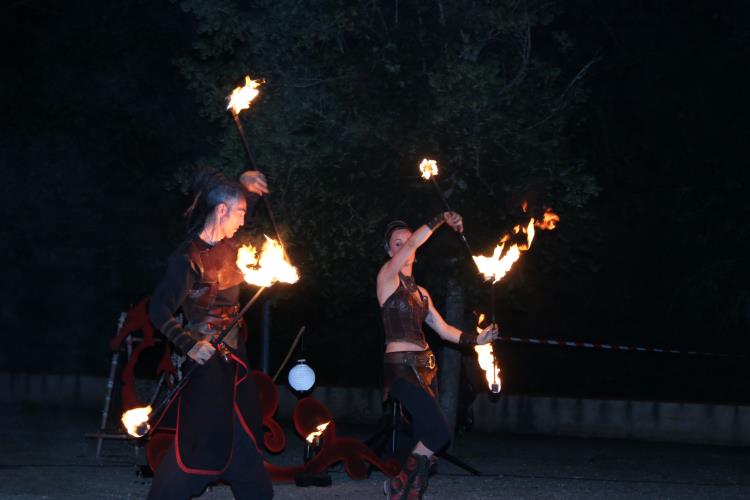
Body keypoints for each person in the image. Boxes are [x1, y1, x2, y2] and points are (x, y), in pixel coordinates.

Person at [146, 167, 274, 500]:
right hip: (205, 361)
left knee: (244, 431)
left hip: (234, 359)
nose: (244, 221)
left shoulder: (232, 247)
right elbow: (158, 310)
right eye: (239, 214)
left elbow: (245, 207)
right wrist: (188, 344)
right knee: (201, 438)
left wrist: (249, 188)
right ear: (221, 211)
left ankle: (255, 491)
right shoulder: (187, 259)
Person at [377, 213, 498, 500]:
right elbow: (411, 245)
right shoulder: (386, 277)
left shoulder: (422, 294)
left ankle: (406, 491)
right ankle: (397, 484)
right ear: (389, 250)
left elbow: (444, 331)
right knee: (439, 433)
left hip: (427, 370)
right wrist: (440, 218)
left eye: (408, 242)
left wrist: (476, 339)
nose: (404, 247)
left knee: (428, 440)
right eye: (397, 243)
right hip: (401, 369)